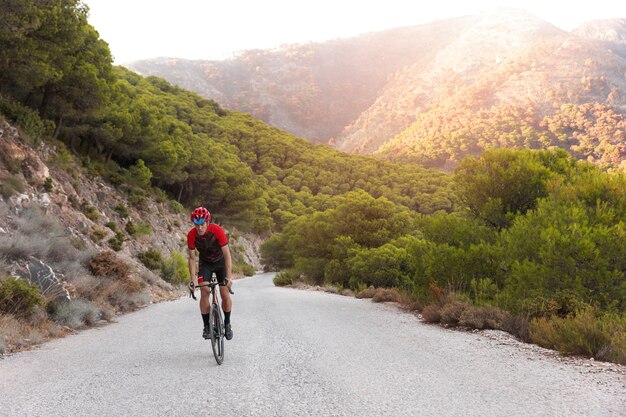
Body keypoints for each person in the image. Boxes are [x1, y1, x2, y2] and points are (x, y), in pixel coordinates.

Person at [187, 207, 233, 340]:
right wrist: (192, 279)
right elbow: (191, 258)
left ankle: (227, 323)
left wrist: (229, 277)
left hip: (220, 262)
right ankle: (207, 326)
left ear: (207, 222)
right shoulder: (191, 235)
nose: (199, 228)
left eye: (202, 224)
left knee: (225, 293)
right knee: (205, 291)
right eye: (197, 225)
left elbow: (227, 255)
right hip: (205, 263)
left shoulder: (217, 231)